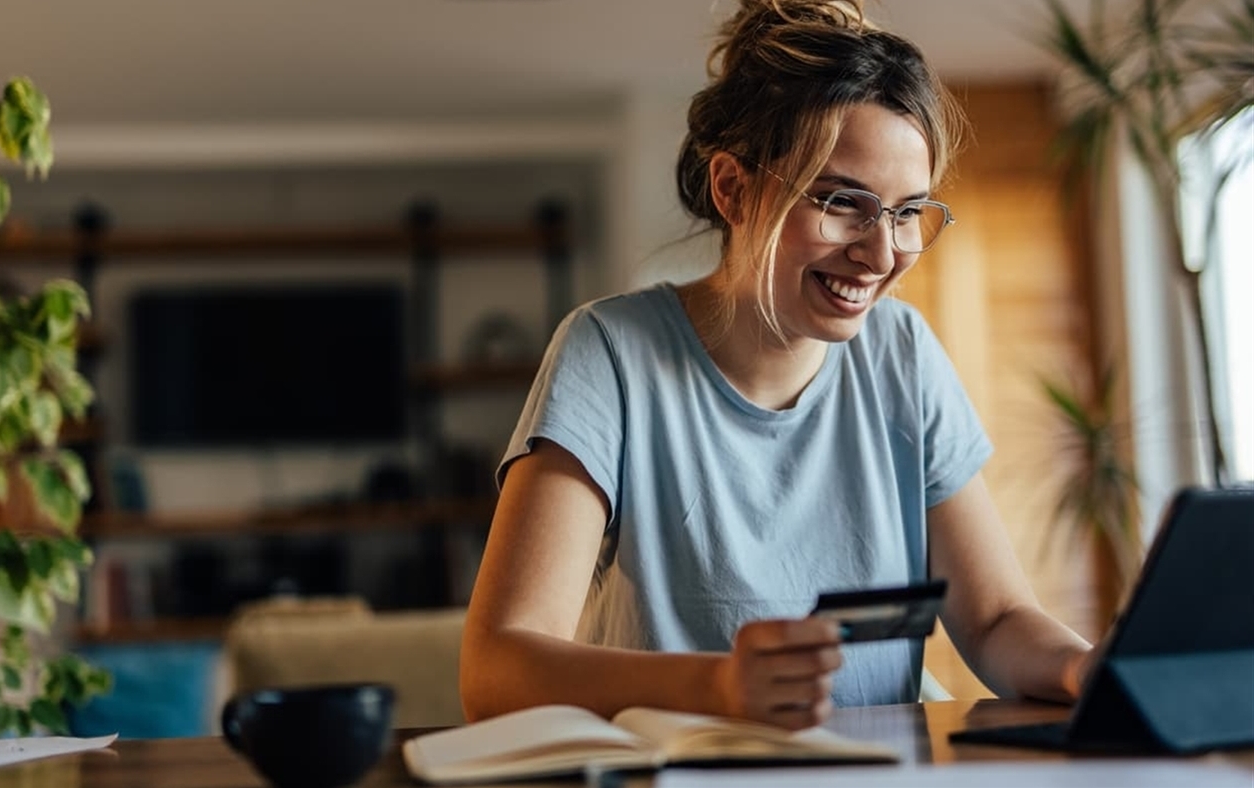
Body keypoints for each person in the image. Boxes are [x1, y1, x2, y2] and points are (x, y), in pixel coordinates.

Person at [460, 0, 1094, 729]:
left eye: (906, 212)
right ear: (732, 189)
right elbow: (497, 669)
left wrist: (1084, 666)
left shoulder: (904, 352)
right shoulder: (610, 353)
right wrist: (721, 689)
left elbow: (997, 618)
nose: (882, 254)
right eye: (840, 202)